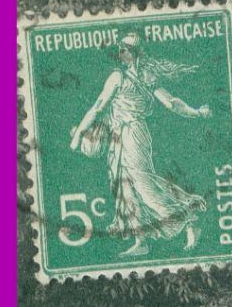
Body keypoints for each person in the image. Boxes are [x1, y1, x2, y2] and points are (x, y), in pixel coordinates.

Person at [70, 32, 210, 257]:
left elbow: (171, 103)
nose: (119, 53)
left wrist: (196, 113)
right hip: (118, 136)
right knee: (124, 187)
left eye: (123, 49)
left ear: (132, 53)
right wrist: (79, 133)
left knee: (143, 184)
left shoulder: (144, 76)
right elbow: (98, 107)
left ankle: (188, 218)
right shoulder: (118, 76)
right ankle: (141, 240)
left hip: (134, 133)